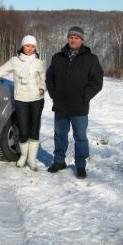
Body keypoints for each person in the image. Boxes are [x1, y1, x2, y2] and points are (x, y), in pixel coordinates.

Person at [0, 35, 46, 171]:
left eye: (32, 46)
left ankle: (32, 160)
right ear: (22, 46)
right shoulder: (14, 61)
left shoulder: (39, 62)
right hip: (21, 100)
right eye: (27, 46)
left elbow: (43, 79)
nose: (30, 49)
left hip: (37, 100)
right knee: (23, 130)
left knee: (34, 130)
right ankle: (23, 156)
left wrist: (42, 88)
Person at [46, 26, 103, 179]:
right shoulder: (58, 57)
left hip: (79, 107)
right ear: (67, 38)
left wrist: (85, 96)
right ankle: (59, 161)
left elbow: (97, 82)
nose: (73, 40)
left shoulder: (91, 59)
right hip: (61, 105)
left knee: (80, 137)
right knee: (60, 135)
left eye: (77, 38)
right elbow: (49, 78)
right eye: (71, 37)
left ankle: (80, 166)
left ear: (82, 40)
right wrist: (54, 94)